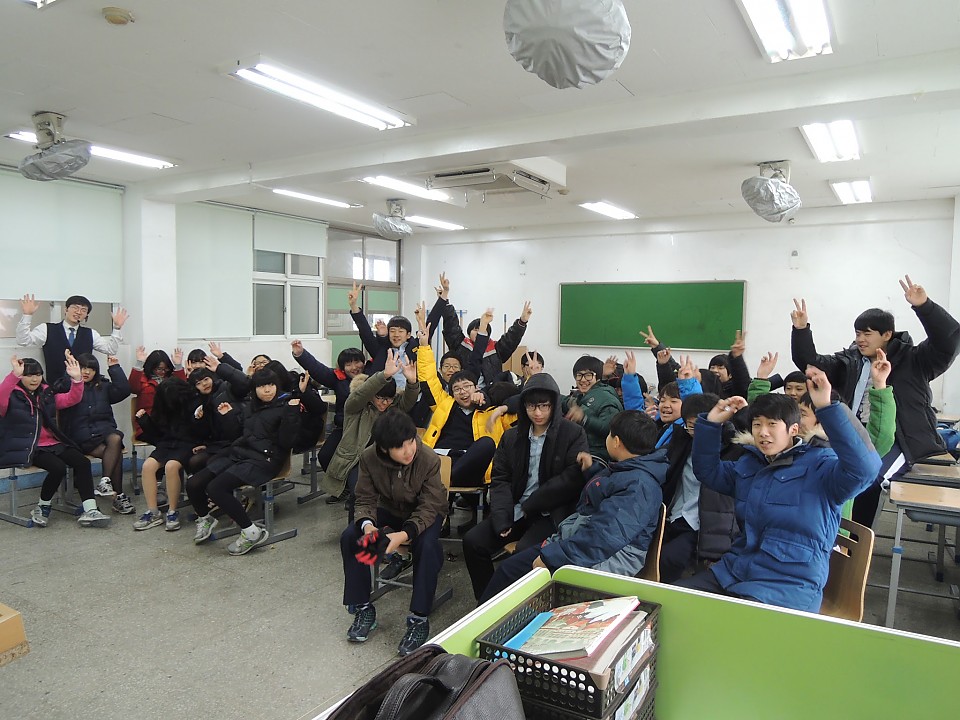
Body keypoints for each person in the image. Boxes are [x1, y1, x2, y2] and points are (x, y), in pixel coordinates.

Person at [675, 369, 881, 612]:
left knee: (725, 623)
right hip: (736, 570)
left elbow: (865, 470)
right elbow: (708, 472)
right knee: (672, 601)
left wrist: (827, 408)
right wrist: (710, 425)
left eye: (772, 424)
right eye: (757, 424)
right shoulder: (752, 463)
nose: (763, 432)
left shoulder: (822, 465)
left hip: (790, 584)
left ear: (793, 429)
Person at [790, 275, 960, 526]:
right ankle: (825, 529)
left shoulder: (915, 359)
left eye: (867, 334)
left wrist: (924, 306)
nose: (860, 339)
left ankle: (855, 539)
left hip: (902, 441)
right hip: (855, 434)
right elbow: (809, 362)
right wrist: (801, 330)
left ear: (887, 334)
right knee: (823, 469)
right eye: (858, 333)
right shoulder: (850, 361)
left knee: (866, 478)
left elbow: (949, 341)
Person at [478, 411, 667, 603]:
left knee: (512, 575)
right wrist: (592, 470)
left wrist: (554, 556)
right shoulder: (629, 469)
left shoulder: (639, 486)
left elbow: (604, 538)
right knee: (509, 570)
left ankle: (486, 618)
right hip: (583, 540)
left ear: (616, 442)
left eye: (609, 434)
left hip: (605, 555)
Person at [461, 372, 588, 602]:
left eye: (544, 406)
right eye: (531, 406)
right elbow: (500, 479)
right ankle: (488, 601)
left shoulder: (572, 433)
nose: (537, 413)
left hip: (549, 514)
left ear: (554, 405)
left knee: (522, 556)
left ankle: (515, 606)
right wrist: (502, 516)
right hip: (516, 509)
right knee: (473, 541)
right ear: (523, 406)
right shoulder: (512, 437)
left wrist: (533, 503)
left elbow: (570, 481)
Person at [340, 410, 447, 656]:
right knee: (351, 536)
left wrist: (403, 535)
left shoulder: (428, 458)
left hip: (425, 513)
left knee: (426, 546)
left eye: (410, 442)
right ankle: (363, 607)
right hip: (389, 509)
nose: (408, 450)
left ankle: (419, 618)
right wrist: (368, 525)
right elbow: (364, 497)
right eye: (400, 447)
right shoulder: (369, 458)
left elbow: (430, 506)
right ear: (384, 448)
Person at [187, 369, 302, 555]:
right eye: (262, 386)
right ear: (254, 389)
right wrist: (229, 416)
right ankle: (205, 518)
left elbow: (287, 442)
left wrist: (292, 412)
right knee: (194, 483)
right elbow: (239, 434)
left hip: (266, 460)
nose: (267, 390)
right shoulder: (251, 406)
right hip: (242, 454)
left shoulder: (286, 406)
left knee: (216, 488)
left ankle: (251, 532)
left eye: (271, 385)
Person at [0, 352, 110, 528]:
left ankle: (90, 509)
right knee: (57, 468)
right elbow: (1, 398)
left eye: (38, 374)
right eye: (29, 375)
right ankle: (42, 506)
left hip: (52, 442)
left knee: (82, 462)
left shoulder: (46, 394)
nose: (34, 379)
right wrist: (14, 375)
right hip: (29, 446)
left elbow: (71, 399)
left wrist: (77, 380)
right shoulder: (11, 395)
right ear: (21, 377)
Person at [657, 392, 743, 582]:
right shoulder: (682, 442)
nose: (696, 431)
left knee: (669, 559)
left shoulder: (734, 450)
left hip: (704, 524)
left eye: (700, 425)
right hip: (674, 516)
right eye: (691, 425)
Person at [323, 350, 420, 509]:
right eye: (379, 398)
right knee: (359, 492)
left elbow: (408, 400)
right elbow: (362, 393)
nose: (384, 403)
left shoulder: (393, 407)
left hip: (386, 459)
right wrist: (384, 375)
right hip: (356, 460)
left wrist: (412, 382)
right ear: (371, 396)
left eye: (388, 399)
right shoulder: (356, 406)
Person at [416, 320, 502, 488]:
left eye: (467, 387)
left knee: (487, 444)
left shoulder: (490, 410)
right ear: (452, 393)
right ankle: (444, 485)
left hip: (469, 464)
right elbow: (429, 379)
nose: (462, 392)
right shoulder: (444, 404)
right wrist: (424, 346)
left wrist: (501, 407)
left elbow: (519, 405)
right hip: (441, 459)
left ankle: (445, 485)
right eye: (457, 389)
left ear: (476, 388)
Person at [59, 353, 135, 513]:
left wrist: (115, 368)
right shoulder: (69, 386)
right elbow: (59, 388)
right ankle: (118, 496)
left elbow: (124, 390)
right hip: (80, 436)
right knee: (116, 452)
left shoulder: (103, 386)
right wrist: (70, 373)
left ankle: (105, 482)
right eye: (83, 367)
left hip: (104, 432)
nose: (87, 372)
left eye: (91, 369)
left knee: (115, 438)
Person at [132, 377, 200, 532]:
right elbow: (156, 436)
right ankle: (153, 512)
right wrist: (145, 421)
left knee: (171, 466)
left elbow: (198, 431)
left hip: (187, 444)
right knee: (148, 466)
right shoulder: (162, 406)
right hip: (167, 443)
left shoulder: (193, 405)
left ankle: (172, 511)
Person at [17, 294, 128, 385]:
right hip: (55, 387)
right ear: (66, 309)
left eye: (83, 310)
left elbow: (110, 350)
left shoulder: (91, 333)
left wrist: (117, 328)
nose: (78, 312)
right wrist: (27, 315)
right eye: (75, 308)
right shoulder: (47, 329)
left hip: (83, 388)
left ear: (86, 315)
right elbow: (23, 341)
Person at [292, 341, 365, 467]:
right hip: (344, 427)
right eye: (348, 364)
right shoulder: (338, 379)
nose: (354, 367)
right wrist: (301, 354)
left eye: (357, 362)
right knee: (325, 456)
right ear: (342, 368)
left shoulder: (373, 376)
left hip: (367, 428)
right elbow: (317, 369)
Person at [347, 280, 416, 381]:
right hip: (384, 390)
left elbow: (429, 329)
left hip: (412, 390)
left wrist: (441, 298)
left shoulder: (415, 348)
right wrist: (354, 306)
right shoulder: (381, 349)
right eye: (392, 331)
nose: (396, 334)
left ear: (408, 335)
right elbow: (365, 333)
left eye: (401, 331)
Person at [560, 355, 623, 462]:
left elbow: (610, 429)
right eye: (579, 375)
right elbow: (567, 401)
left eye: (588, 375)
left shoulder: (606, 398)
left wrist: (584, 419)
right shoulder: (582, 395)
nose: (583, 380)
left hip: (597, 458)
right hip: (580, 450)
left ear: (597, 377)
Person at [128, 347, 186, 439]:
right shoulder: (143, 379)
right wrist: (139, 363)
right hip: (147, 424)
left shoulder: (171, 380)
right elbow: (132, 388)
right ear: (151, 367)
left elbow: (183, 390)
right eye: (159, 369)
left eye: (166, 369)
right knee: (166, 439)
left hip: (169, 423)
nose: (163, 372)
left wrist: (178, 366)